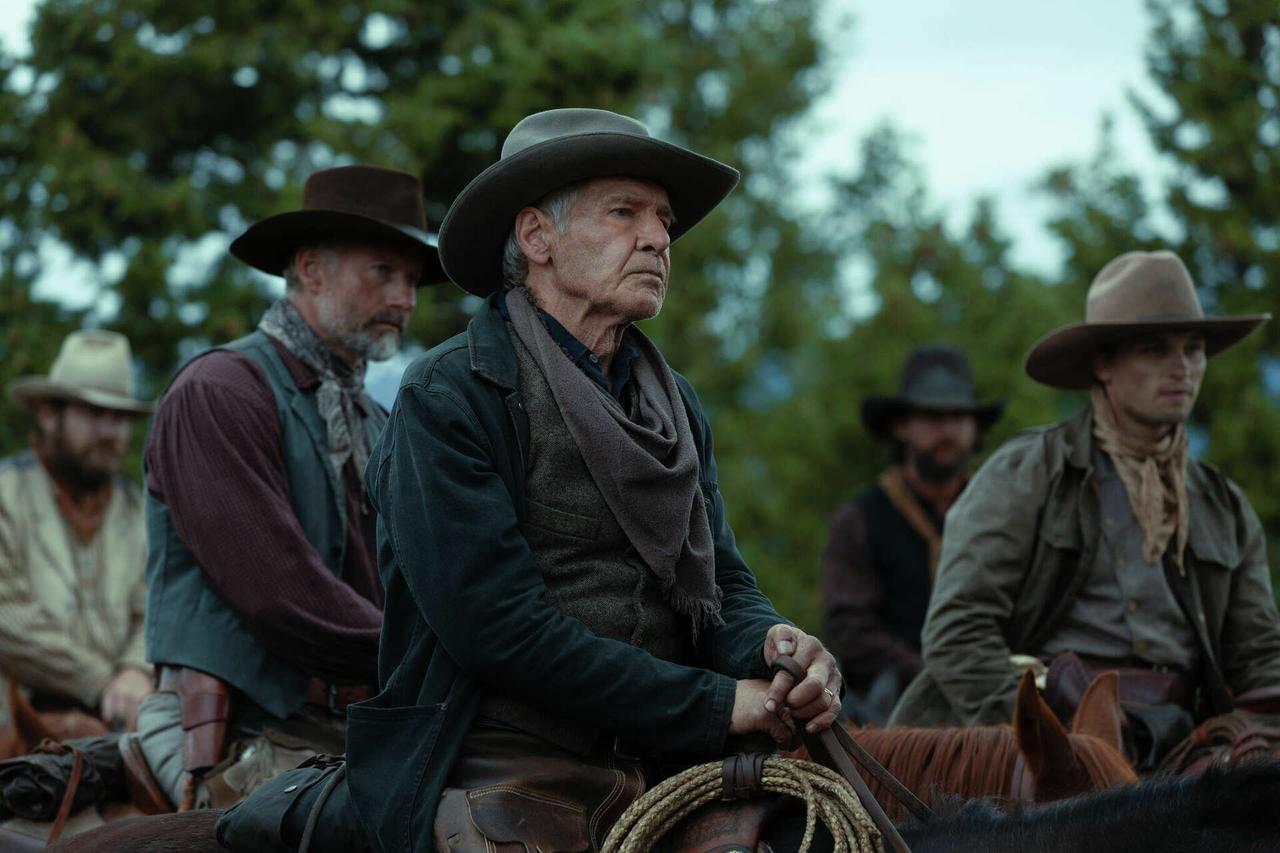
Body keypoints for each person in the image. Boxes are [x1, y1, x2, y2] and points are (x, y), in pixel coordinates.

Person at [345, 108, 843, 853]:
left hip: (669, 760)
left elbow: (724, 587)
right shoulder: (451, 395)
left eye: (664, 220)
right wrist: (715, 704)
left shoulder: (674, 403)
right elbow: (498, 630)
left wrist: (773, 651)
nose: (658, 238)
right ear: (536, 237)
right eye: (624, 213)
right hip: (500, 762)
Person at [890, 250, 1280, 769]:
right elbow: (958, 632)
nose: (1182, 368)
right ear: (1103, 364)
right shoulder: (1030, 473)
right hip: (1044, 742)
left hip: (1181, 743)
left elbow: (1258, 659)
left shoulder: (1222, 507)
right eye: (1154, 349)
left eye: (1194, 349)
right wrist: (1043, 732)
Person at [137, 164, 445, 808]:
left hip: (343, 723)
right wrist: (436, 655)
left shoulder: (377, 418)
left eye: (412, 279)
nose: (405, 299)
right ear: (310, 270)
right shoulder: (218, 391)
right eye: (383, 272)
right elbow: (280, 594)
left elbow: (412, 576)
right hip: (233, 725)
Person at [821, 345, 1002, 724]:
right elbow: (849, 631)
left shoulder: (999, 515)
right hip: (893, 714)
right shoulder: (860, 521)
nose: (948, 430)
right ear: (902, 426)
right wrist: (932, 677)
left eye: (959, 417)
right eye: (933, 417)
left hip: (993, 701)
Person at [0, 330, 152, 735]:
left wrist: (136, 669)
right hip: (16, 724)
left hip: (122, 726)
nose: (110, 432)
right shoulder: (6, 497)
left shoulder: (142, 514)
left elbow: (157, 606)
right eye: (94, 412)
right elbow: (7, 619)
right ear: (49, 413)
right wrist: (101, 681)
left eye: (119, 417)